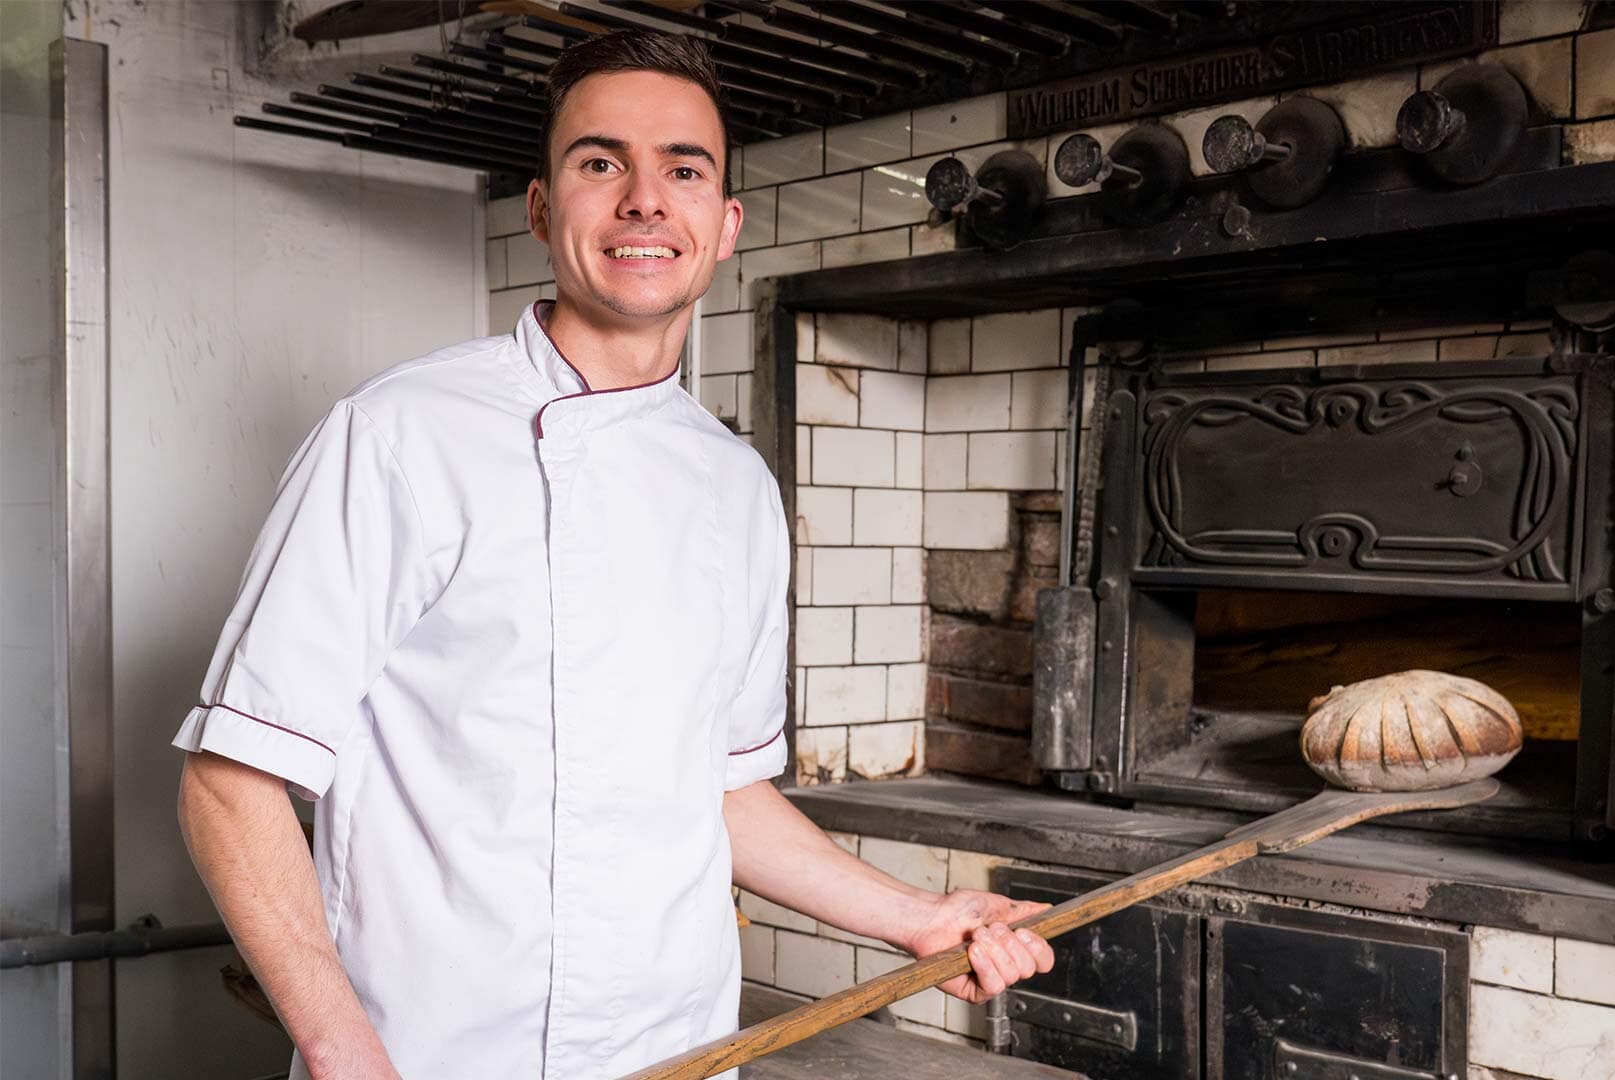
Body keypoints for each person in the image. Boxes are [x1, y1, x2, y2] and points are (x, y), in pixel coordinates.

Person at [174, 29, 1052, 1080]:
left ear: (723, 226)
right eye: (601, 163)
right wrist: (340, 1045)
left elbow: (719, 789)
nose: (645, 198)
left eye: (682, 168)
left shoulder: (736, 489)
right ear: (545, 211)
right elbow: (232, 779)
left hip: (675, 1052)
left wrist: (914, 917)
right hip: (434, 1056)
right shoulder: (402, 435)